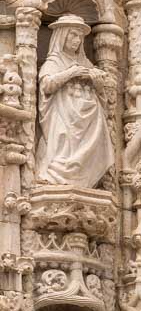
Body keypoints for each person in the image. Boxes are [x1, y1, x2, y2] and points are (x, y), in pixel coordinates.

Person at [37, 15, 113, 188]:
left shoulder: (85, 62)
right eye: (72, 35)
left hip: (88, 116)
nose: (77, 40)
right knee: (62, 140)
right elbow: (47, 85)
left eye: (79, 36)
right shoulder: (54, 61)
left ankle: (85, 179)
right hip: (63, 113)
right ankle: (56, 175)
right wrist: (71, 73)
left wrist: (97, 80)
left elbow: (102, 88)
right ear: (62, 36)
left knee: (97, 131)